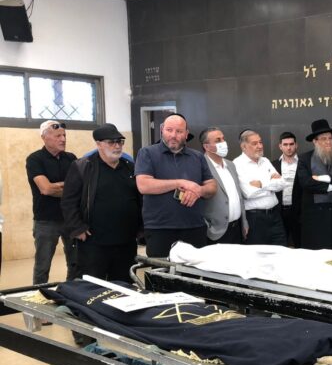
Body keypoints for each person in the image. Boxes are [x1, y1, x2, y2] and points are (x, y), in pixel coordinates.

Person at [61, 124, 142, 282]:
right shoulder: (83, 166)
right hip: (94, 243)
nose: (117, 146)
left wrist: (141, 228)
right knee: (93, 286)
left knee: (124, 285)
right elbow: (68, 201)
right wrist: (77, 228)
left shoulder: (130, 167)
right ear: (99, 144)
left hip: (126, 242)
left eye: (120, 141)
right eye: (111, 142)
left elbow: (141, 199)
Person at [134, 113, 216, 257]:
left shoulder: (197, 157)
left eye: (179, 131)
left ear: (186, 133)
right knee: (161, 271)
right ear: (162, 130)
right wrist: (180, 182)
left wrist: (199, 190)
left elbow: (212, 186)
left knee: (193, 271)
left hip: (194, 227)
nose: (173, 135)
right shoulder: (147, 153)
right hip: (160, 229)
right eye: (169, 130)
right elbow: (144, 185)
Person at [25, 120, 78, 284]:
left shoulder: (71, 158)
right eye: (58, 136)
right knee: (42, 266)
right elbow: (46, 189)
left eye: (64, 135)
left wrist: (58, 187)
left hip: (71, 218)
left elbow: (80, 187)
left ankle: (72, 292)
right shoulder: (35, 159)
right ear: (44, 137)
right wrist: (68, 187)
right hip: (46, 220)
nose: (63, 139)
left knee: (76, 263)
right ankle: (38, 294)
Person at [297, 119, 332, 251]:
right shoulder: (304, 159)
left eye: (330, 138)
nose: (328, 142)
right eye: (323, 139)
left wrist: (324, 178)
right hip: (314, 218)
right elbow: (306, 183)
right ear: (315, 141)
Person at [234, 130, 287, 245]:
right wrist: (271, 184)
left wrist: (262, 184)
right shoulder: (237, 164)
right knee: (258, 253)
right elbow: (249, 193)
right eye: (254, 143)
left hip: (275, 215)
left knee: (281, 250)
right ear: (243, 147)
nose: (260, 146)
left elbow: (282, 184)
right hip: (255, 219)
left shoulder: (265, 161)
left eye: (260, 142)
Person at [200, 127, 247, 244]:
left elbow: (239, 195)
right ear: (206, 146)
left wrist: (244, 222)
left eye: (223, 139)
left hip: (237, 228)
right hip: (216, 232)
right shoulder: (200, 166)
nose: (223, 142)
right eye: (218, 140)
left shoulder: (231, 165)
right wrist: (208, 228)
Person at [272, 132, 302, 247]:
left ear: (296, 145)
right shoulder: (273, 165)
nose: (289, 148)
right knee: (280, 246)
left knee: (301, 245)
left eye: (291, 144)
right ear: (280, 146)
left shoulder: (303, 163)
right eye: (285, 144)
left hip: (299, 212)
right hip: (279, 212)